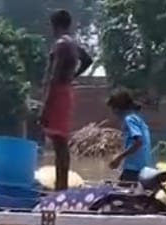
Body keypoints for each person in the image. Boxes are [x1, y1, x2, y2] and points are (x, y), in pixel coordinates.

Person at [40, 9, 94, 191]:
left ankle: (61, 186)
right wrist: (74, 76)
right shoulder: (73, 44)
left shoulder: (61, 44)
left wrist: (45, 107)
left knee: (59, 143)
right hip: (66, 91)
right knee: (60, 141)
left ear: (55, 25)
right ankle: (61, 185)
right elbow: (88, 60)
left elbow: (54, 77)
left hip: (58, 92)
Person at [106, 89, 153, 184]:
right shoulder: (137, 118)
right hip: (144, 167)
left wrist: (119, 158)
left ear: (117, 108)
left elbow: (138, 142)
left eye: (112, 108)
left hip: (133, 169)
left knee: (121, 195)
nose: (112, 112)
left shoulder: (129, 119)